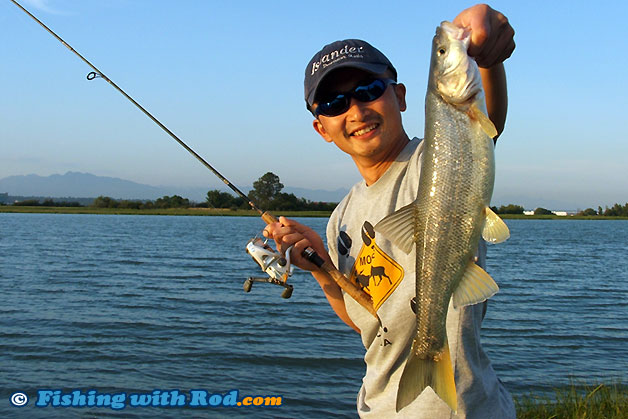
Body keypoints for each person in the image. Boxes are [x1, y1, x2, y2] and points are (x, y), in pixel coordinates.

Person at [264, 4, 516, 418]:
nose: (357, 111)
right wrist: (324, 270)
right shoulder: (340, 218)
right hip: (379, 407)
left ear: (400, 96)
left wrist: (483, 37)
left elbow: (488, 123)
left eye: (368, 91)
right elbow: (368, 320)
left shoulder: (432, 157)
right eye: (333, 103)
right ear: (320, 128)